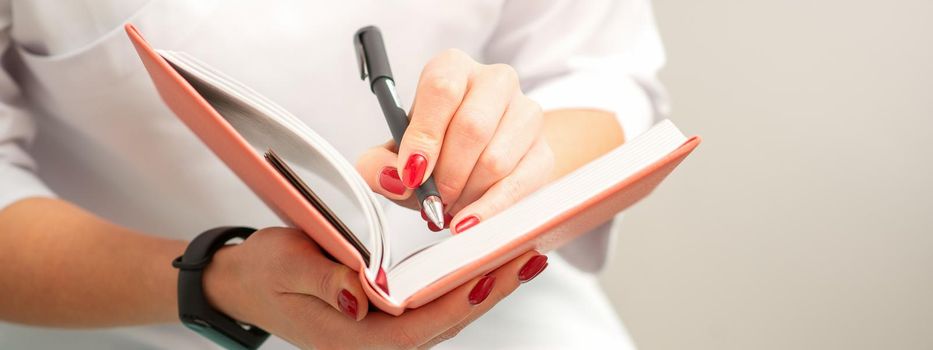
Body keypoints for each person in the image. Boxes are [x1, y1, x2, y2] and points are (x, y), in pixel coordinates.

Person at [0, 1, 666, 349]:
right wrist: (220, 278)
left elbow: (600, 70)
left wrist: (512, 167)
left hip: (504, 314)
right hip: (133, 319)